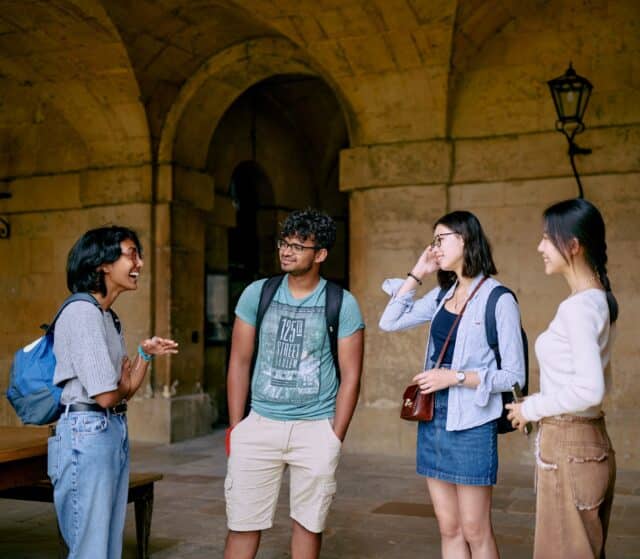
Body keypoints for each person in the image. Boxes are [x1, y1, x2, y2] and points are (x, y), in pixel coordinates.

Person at [379, 210, 525, 559]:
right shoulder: (443, 294)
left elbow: (514, 376)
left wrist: (455, 377)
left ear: (466, 239)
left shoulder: (499, 299)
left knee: (476, 529)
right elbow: (389, 321)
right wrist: (420, 271)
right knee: (449, 527)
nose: (435, 247)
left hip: (472, 422)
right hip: (432, 418)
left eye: (441, 239)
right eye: (433, 241)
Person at [223, 208, 365, 559]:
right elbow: (239, 361)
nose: (286, 251)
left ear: (320, 255)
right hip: (260, 424)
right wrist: (236, 427)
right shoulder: (258, 293)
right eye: (284, 243)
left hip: (315, 427)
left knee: (308, 524)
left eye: (298, 246)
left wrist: (335, 436)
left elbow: (352, 376)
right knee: (243, 523)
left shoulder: (341, 303)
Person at [48, 226, 178, 559]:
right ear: (103, 263)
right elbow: (107, 395)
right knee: (91, 548)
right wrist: (118, 385)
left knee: (107, 545)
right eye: (131, 253)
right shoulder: (82, 313)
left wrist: (144, 356)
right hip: (86, 433)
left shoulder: (108, 317)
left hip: (109, 429)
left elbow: (124, 390)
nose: (140, 263)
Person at [506, 198, 618, 559]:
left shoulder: (578, 307)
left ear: (573, 245)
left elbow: (590, 388)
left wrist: (533, 407)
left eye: (546, 238)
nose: (540, 247)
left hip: (570, 449)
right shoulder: (596, 299)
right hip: (585, 443)